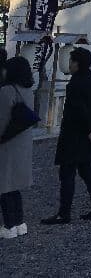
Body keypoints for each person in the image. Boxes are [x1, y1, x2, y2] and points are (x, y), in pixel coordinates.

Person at [41, 48, 91, 225]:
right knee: (87, 171)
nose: (69, 64)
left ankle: (64, 213)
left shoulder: (75, 85)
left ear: (77, 63)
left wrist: (88, 128)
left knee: (67, 174)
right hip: (89, 135)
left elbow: (78, 111)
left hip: (73, 135)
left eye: (71, 61)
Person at [0, 56, 35, 238]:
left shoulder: (6, 91)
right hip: (23, 143)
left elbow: (2, 120)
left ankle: (9, 226)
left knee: (4, 185)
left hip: (7, 144)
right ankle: (20, 223)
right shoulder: (28, 90)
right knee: (15, 186)